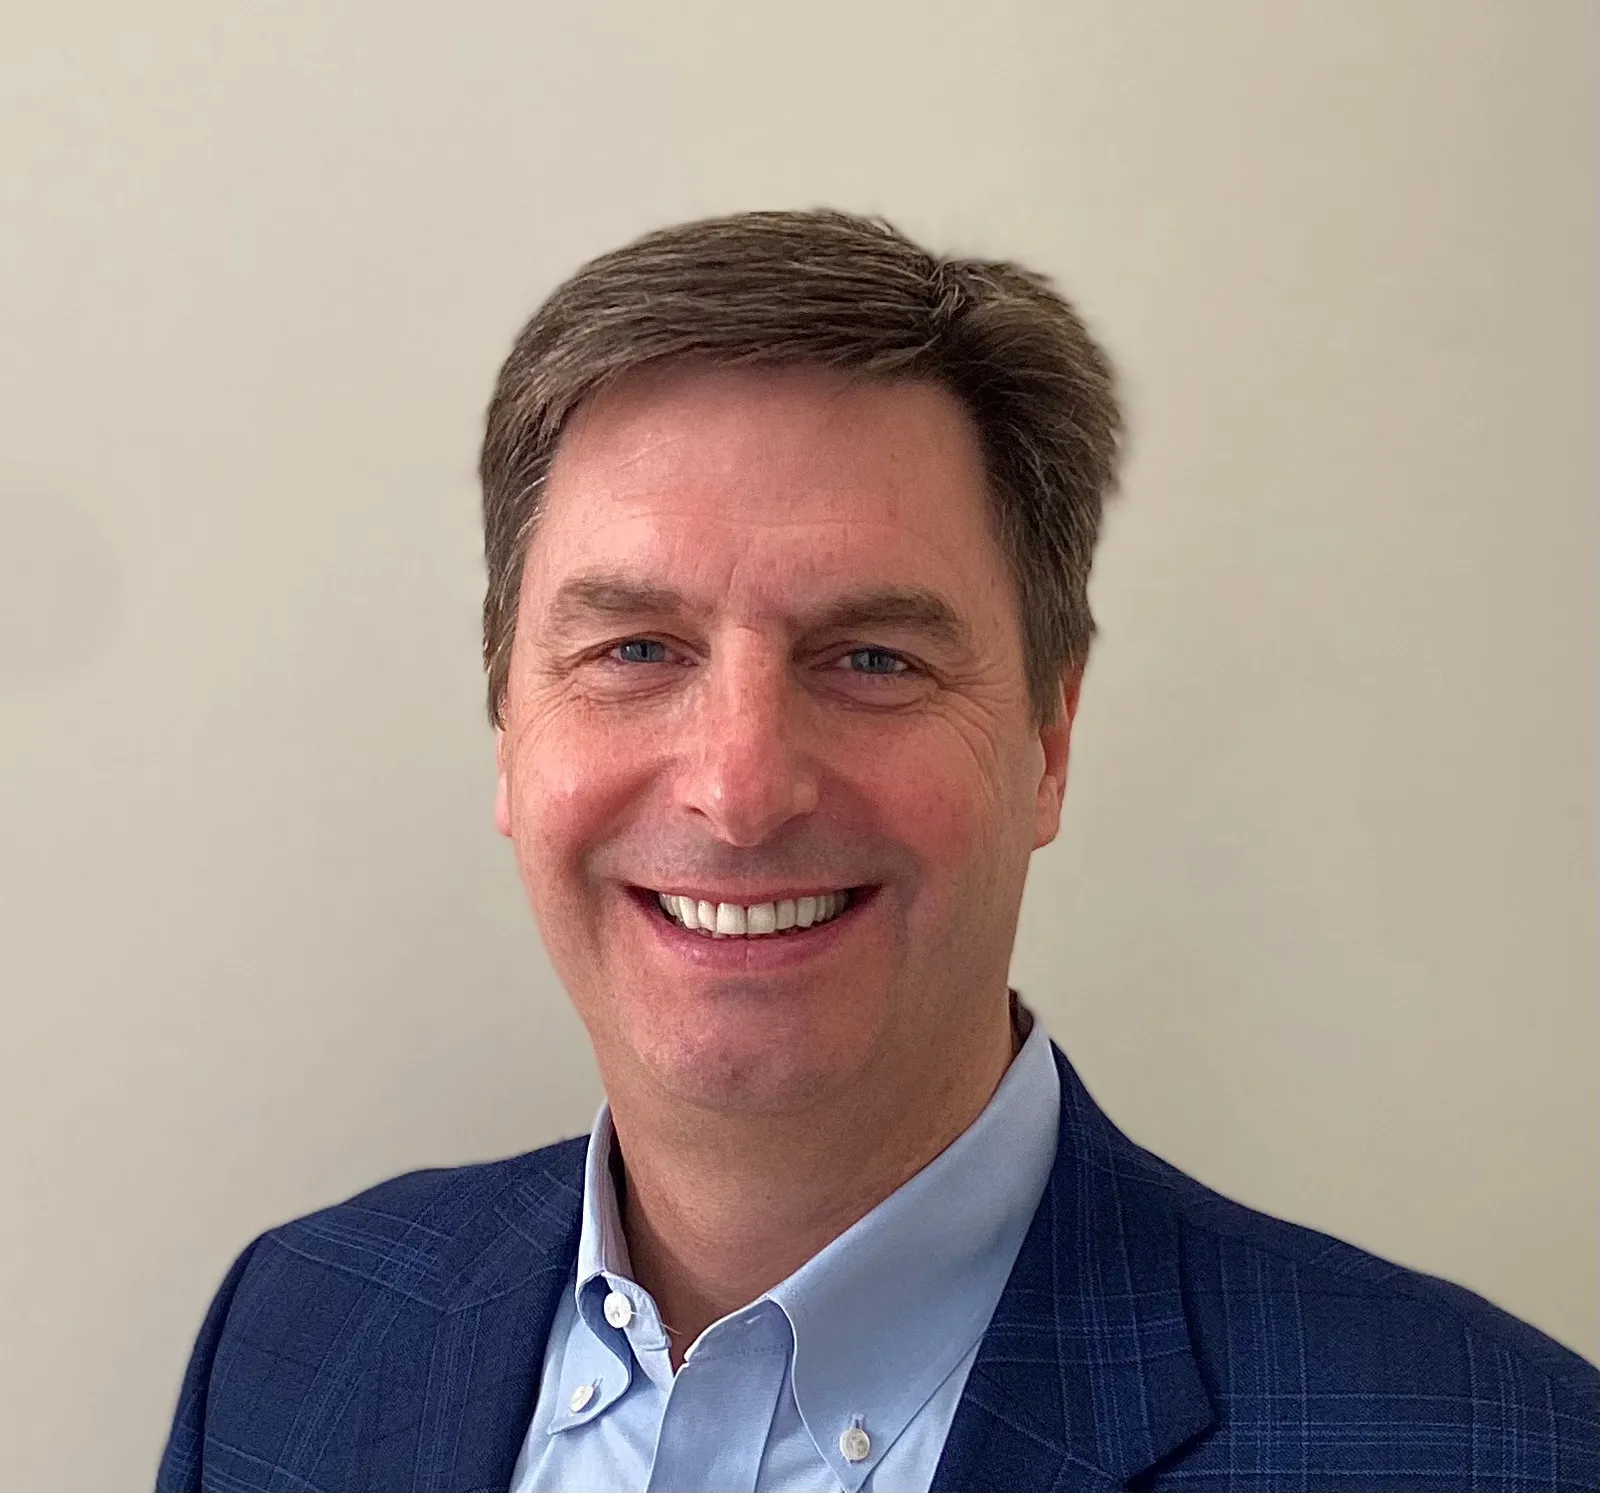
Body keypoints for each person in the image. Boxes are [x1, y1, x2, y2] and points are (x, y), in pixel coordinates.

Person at [155, 210, 1598, 1493]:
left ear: (1049, 740)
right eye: (636, 648)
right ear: (507, 732)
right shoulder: (295, 1338)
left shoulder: (1490, 1449)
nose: (738, 788)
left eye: (871, 657)